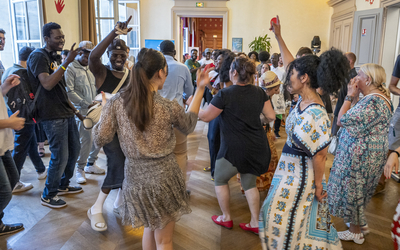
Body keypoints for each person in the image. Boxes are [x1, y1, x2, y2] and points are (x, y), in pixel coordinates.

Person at [92, 47, 207, 250]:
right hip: (164, 178)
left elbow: (101, 137)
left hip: (135, 178)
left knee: (149, 228)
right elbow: (189, 125)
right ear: (160, 73)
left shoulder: (116, 103)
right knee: (164, 240)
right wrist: (200, 90)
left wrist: (102, 114)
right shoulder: (166, 106)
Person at [259, 16, 348, 250]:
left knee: (287, 221)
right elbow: (291, 64)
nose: (288, 76)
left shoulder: (316, 114)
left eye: (293, 74)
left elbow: (320, 155)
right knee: (281, 218)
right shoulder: (302, 99)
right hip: (288, 171)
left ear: (304, 78)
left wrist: (319, 185)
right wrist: (278, 36)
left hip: (301, 177)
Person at [199, 56, 275, 234]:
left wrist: (192, 105)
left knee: (220, 178)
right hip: (256, 145)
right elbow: (271, 116)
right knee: (249, 183)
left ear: (233, 73)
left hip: (233, 148)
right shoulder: (259, 92)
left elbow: (206, 117)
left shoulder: (225, 94)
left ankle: (226, 218)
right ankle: (255, 222)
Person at [328, 64, 392, 244]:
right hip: (366, 154)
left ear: (369, 80)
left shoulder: (374, 101)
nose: (356, 78)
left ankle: (355, 232)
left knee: (353, 191)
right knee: (358, 191)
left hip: (361, 157)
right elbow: (356, 117)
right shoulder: (374, 98)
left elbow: (341, 120)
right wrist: (355, 97)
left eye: (360, 75)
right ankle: (359, 224)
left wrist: (349, 95)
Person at [26, 22, 82, 208]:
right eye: (57, 37)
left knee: (74, 150)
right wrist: (66, 63)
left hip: (65, 111)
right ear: (46, 38)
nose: (62, 40)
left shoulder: (55, 57)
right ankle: (48, 195)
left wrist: (74, 110)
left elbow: (60, 88)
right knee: (60, 155)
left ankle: (63, 184)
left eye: (62, 37)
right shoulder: (37, 57)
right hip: (51, 114)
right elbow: (48, 84)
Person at [87, 17, 132, 232]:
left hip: (126, 127)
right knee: (116, 161)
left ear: (128, 55)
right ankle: (96, 207)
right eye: (114, 54)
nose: (118, 58)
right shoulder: (101, 72)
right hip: (107, 128)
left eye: (122, 55)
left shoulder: (131, 76)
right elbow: (93, 56)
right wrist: (114, 33)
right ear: (109, 55)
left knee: (127, 161)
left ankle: (119, 202)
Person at [1, 46, 48, 193]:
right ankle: (14, 182)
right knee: (21, 146)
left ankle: (40, 169)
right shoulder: (21, 73)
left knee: (30, 141)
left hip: (14, 115)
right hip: (21, 115)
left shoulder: (11, 69)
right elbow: (23, 99)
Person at [65, 41, 104, 185]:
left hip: (95, 109)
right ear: (80, 52)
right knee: (86, 141)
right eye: (86, 54)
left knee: (99, 138)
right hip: (81, 111)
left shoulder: (91, 68)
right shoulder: (70, 68)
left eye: (90, 54)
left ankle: (91, 164)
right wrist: (85, 103)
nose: (88, 57)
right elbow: (69, 92)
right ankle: (79, 169)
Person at [237, 71, 281, 194]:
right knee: (262, 160)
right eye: (275, 88)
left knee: (269, 159)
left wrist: (270, 129)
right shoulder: (259, 97)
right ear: (269, 88)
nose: (277, 90)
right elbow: (255, 117)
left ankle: (260, 187)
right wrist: (266, 120)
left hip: (263, 132)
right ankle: (253, 188)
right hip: (257, 135)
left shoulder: (264, 96)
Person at [158, 40, 193, 184]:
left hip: (157, 114)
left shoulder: (154, 67)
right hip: (177, 114)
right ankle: (180, 189)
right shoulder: (182, 67)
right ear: (175, 53)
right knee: (180, 154)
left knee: (160, 154)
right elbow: (189, 91)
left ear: (160, 52)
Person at [0, 74, 25, 235]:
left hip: (2, 142)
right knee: (4, 193)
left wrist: (4, 88)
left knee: (13, 179)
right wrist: (8, 123)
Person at [270, 53, 286, 138]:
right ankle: (270, 130)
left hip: (279, 95)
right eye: (271, 58)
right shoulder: (269, 70)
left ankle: (276, 131)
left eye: (274, 58)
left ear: (277, 59)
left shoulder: (282, 72)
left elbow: (283, 84)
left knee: (278, 114)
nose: (273, 60)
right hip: (270, 95)